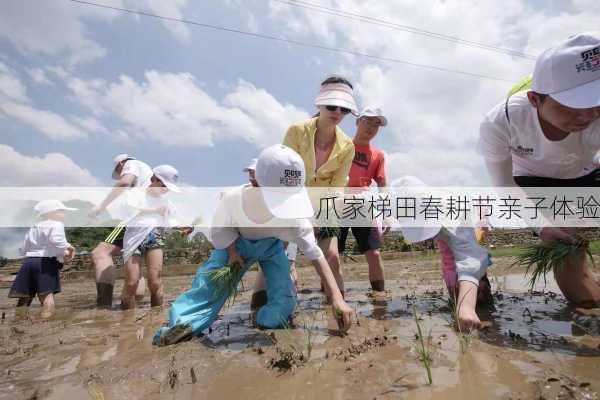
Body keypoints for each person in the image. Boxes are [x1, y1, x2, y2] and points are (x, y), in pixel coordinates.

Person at [153, 145, 353, 346]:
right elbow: (223, 230)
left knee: (284, 294)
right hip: (236, 245)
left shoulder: (296, 217)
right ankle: (183, 323)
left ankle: (266, 319)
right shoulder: (233, 200)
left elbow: (316, 255)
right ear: (255, 181)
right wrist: (232, 253)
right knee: (209, 286)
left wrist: (337, 298)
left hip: (272, 249)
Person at [478, 32, 600, 306]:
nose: (588, 115)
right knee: (577, 283)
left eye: (596, 102)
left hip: (585, 172)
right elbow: (504, 185)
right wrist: (541, 225)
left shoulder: (595, 116)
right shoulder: (502, 122)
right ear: (535, 99)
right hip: (532, 180)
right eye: (574, 105)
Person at [282, 75, 357, 295]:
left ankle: (338, 303)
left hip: (326, 206)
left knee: (332, 256)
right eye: (332, 106)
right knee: (278, 254)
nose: (337, 112)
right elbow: (285, 176)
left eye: (344, 109)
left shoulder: (347, 146)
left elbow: (337, 187)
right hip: (291, 202)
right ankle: (265, 302)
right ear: (320, 103)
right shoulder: (297, 131)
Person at [390, 177, 491, 330]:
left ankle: (481, 308)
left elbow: (471, 258)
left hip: (466, 226)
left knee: (476, 282)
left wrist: (466, 306)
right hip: (449, 232)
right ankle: (457, 302)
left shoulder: (455, 214)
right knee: (450, 264)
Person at [120, 165, 189, 309]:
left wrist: (182, 228)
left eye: (167, 187)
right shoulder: (135, 194)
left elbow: (171, 221)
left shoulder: (166, 202)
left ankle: (156, 317)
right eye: (163, 185)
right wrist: (157, 210)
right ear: (153, 179)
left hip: (155, 237)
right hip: (134, 238)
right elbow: (132, 212)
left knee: (155, 281)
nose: (165, 190)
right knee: (132, 281)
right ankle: (126, 317)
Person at [89, 154, 152, 308]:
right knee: (133, 260)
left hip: (134, 219)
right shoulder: (146, 172)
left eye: (118, 169)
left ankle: (103, 306)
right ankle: (134, 303)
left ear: (120, 164)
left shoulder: (131, 164)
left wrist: (101, 206)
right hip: (148, 218)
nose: (120, 172)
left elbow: (124, 182)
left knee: (100, 253)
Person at [337, 107, 390, 291]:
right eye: (368, 121)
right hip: (337, 204)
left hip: (363, 206)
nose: (371, 127)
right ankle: (333, 297)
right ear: (358, 122)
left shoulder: (378, 155)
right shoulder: (341, 146)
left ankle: (380, 296)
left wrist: (387, 213)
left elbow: (383, 184)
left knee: (374, 253)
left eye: (377, 124)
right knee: (333, 254)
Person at [8, 200, 76, 318]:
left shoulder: (34, 227)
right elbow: (57, 241)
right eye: (62, 211)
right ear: (53, 213)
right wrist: (70, 248)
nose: (64, 214)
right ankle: (45, 323)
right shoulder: (56, 224)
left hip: (29, 262)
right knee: (47, 296)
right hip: (45, 263)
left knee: (25, 296)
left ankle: (18, 321)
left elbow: (24, 248)